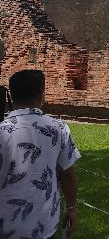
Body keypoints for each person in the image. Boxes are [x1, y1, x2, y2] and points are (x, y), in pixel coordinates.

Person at [0, 69, 81, 238]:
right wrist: (71, 208)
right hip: (43, 225)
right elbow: (68, 174)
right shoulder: (58, 129)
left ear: (12, 96)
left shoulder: (2, 131)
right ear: (40, 95)